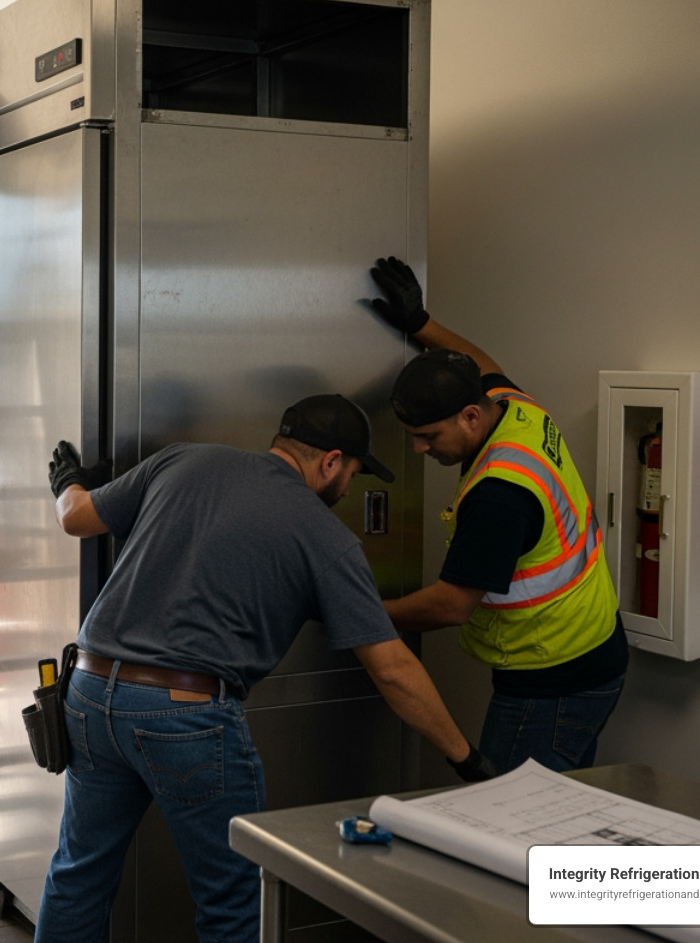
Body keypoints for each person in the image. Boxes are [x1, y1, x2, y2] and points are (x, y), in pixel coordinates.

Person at [34, 395, 494, 943]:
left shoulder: (183, 460)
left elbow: (75, 517)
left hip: (88, 692)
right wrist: (465, 758)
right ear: (330, 461)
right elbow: (393, 669)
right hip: (185, 716)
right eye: (350, 472)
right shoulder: (326, 539)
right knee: (233, 901)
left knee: (78, 875)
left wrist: (67, 479)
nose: (349, 488)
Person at [367, 256, 626, 774]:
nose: (419, 450)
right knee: (550, 815)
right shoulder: (514, 407)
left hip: (551, 680)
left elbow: (450, 606)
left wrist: (366, 612)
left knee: (508, 828)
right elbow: (478, 359)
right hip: (590, 649)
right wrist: (421, 325)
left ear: (469, 416)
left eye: (428, 437)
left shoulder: (499, 493)